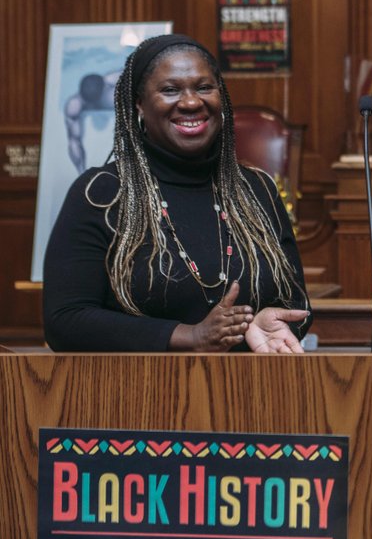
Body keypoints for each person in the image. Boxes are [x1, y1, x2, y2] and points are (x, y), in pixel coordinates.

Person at [43, 34, 310, 353]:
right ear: (139, 103)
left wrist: (265, 322)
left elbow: (296, 301)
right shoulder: (101, 194)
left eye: (204, 87)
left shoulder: (257, 189)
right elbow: (66, 321)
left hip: (250, 389)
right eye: (170, 90)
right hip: (136, 394)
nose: (191, 102)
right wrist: (189, 336)